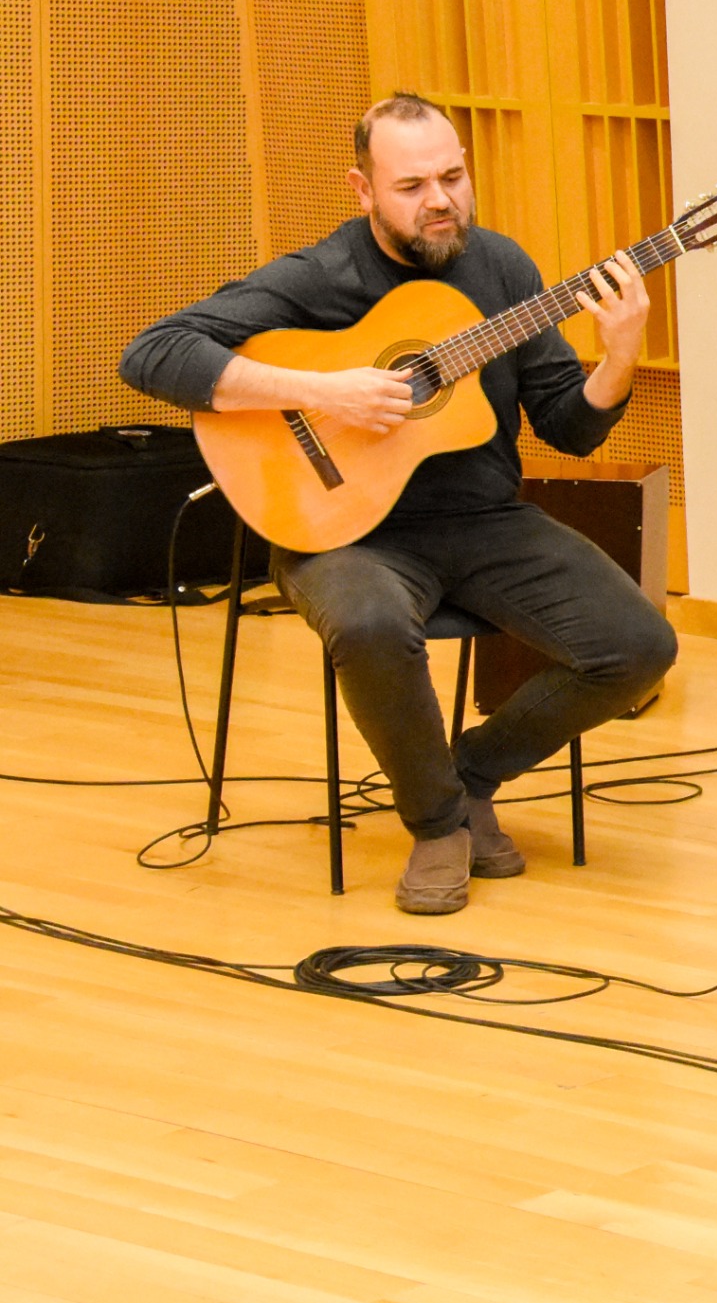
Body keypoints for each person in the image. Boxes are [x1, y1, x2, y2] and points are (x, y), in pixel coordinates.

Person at [120, 93, 677, 914]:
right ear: (364, 190)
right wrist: (322, 391)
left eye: (452, 177)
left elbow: (569, 427)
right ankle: (438, 825)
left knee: (639, 646)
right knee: (369, 624)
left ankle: (467, 774)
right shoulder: (321, 278)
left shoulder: (503, 271)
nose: (440, 200)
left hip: (484, 521)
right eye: (412, 185)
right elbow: (154, 353)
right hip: (341, 532)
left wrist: (619, 358)